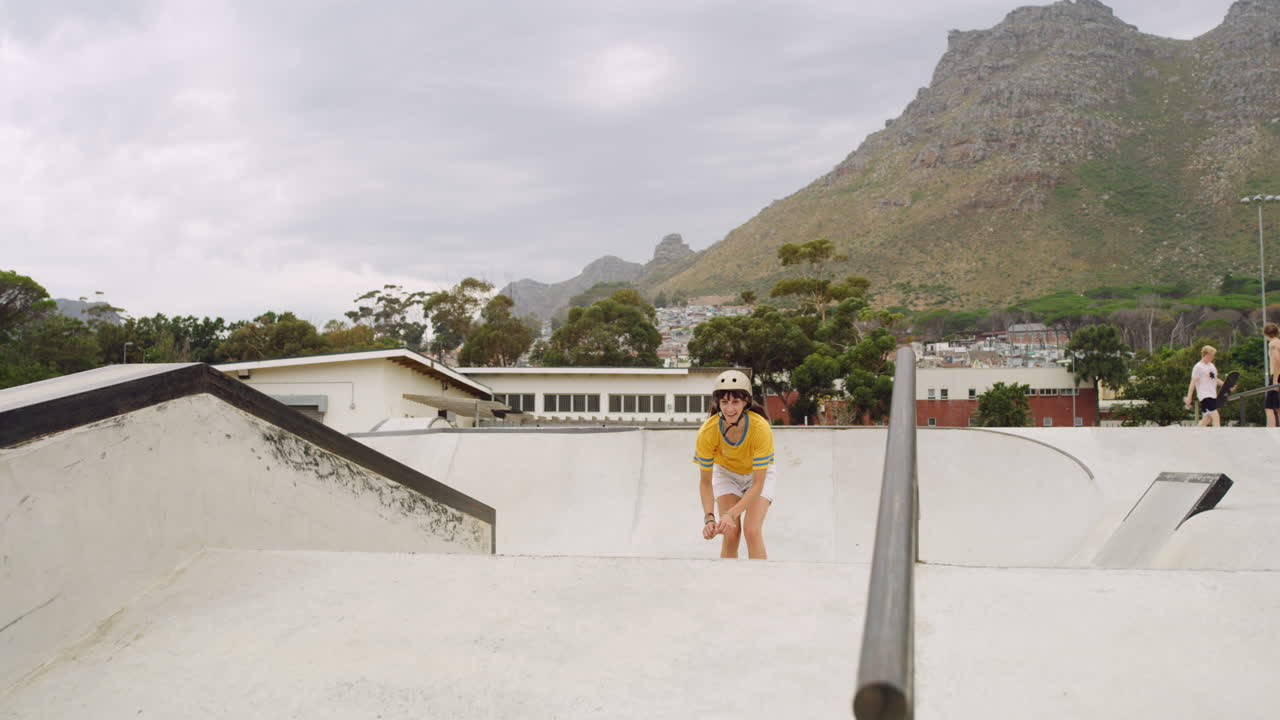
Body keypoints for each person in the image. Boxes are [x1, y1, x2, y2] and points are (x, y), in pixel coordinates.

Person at [694, 370, 776, 559]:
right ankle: (727, 585)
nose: (729, 408)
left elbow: (757, 484)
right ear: (718, 403)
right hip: (727, 474)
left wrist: (731, 514)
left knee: (752, 530)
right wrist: (709, 519)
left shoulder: (760, 428)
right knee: (730, 533)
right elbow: (705, 483)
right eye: (724, 402)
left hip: (757, 477)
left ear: (746, 402)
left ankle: (760, 583)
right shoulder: (707, 432)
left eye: (736, 402)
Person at [1185, 345, 1225, 427]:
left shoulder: (1212, 366)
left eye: (1213, 356)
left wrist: (1226, 385)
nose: (1213, 357)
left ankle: (1195, 434)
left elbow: (1215, 379)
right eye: (1211, 355)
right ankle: (1218, 436)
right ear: (1205, 354)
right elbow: (1192, 382)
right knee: (1215, 415)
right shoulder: (1198, 367)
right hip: (1204, 395)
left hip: (1212, 394)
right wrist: (1189, 397)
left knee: (1207, 419)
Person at [1266, 323, 1280, 427]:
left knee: (1269, 407)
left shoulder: (1272, 344)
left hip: (1277, 375)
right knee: (1278, 406)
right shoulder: (1279, 342)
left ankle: (1271, 431)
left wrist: (1275, 379)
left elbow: (1277, 360)